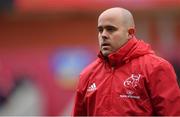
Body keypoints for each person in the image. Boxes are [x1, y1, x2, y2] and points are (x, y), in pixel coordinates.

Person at [73, 7, 180, 116]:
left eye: (110, 29)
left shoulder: (156, 67)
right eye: (100, 30)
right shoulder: (87, 75)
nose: (103, 35)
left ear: (130, 33)